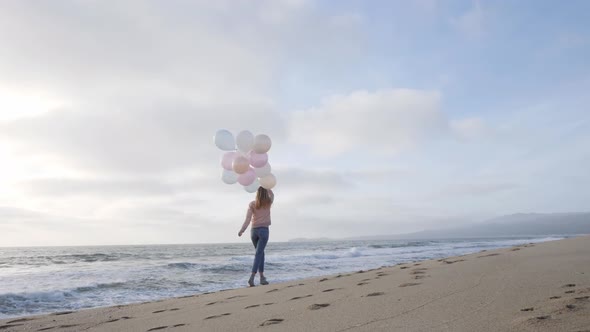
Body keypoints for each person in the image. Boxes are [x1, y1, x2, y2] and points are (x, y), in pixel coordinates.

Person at [238, 187, 274, 287]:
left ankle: (262, 277)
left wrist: (242, 230)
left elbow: (248, 219)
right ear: (265, 193)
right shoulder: (268, 202)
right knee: (259, 254)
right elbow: (272, 194)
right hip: (264, 231)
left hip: (253, 231)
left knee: (260, 253)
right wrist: (268, 187)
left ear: (257, 193)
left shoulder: (252, 204)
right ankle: (252, 277)